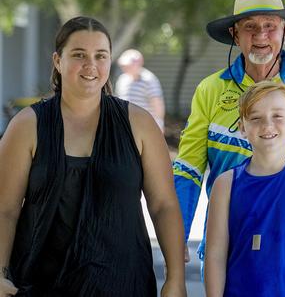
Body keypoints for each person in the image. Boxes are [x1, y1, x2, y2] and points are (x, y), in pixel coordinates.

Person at [0, 16, 186, 297]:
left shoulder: (139, 124)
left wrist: (176, 278)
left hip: (123, 284)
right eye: (78, 55)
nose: (91, 65)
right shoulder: (27, 125)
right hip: (38, 284)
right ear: (57, 61)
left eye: (101, 55)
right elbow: (5, 209)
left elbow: (163, 205)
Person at [173, 0, 285, 266]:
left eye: (270, 26)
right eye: (250, 27)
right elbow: (189, 170)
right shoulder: (210, 90)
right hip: (226, 246)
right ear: (235, 34)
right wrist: (177, 237)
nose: (261, 35)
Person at [203, 81, 285, 296]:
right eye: (256, 118)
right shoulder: (226, 184)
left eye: (278, 116)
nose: (267, 126)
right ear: (242, 127)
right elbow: (215, 253)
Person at [115, 49, 166, 131]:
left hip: (146, 126)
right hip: (127, 125)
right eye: (123, 66)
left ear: (139, 63)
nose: (125, 68)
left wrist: (159, 124)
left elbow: (157, 103)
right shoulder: (122, 80)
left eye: (129, 65)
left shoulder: (149, 79)